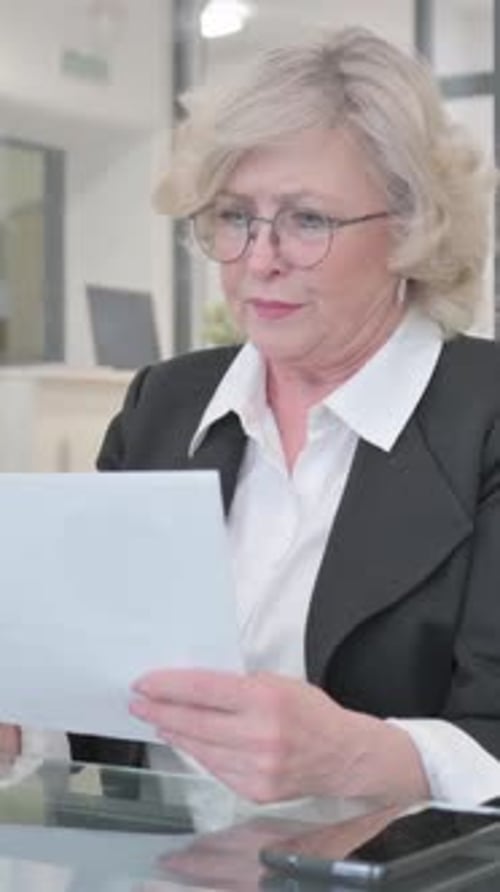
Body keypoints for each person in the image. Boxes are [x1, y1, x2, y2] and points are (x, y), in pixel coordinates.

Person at [4, 26, 500, 807]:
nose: (259, 259)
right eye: (234, 217)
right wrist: (26, 727)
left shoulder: (485, 420)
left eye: (308, 221)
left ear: (411, 227)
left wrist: (362, 756)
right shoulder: (162, 404)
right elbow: (107, 704)